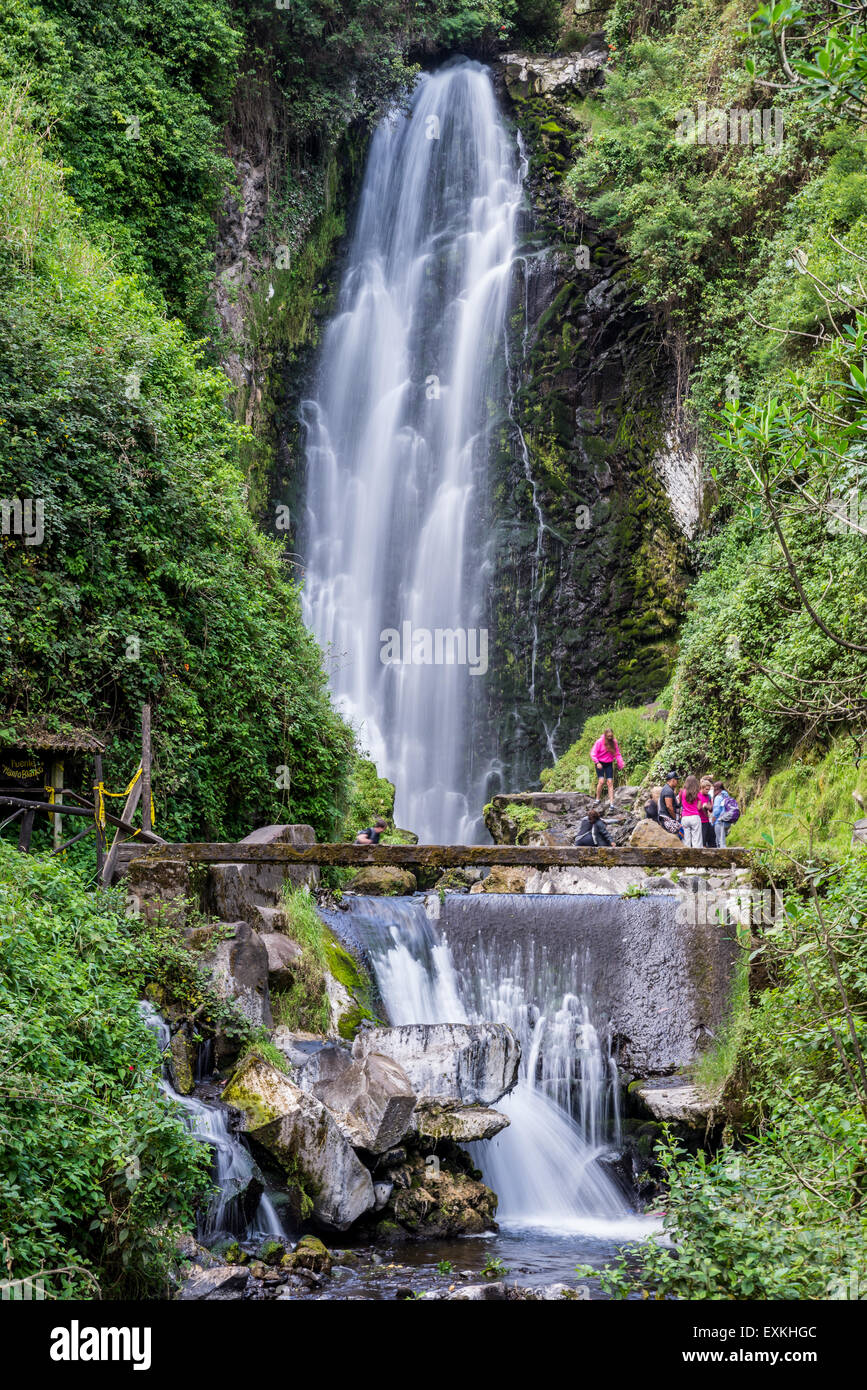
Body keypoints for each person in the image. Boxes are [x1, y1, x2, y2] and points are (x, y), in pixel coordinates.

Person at [590, 728, 625, 810]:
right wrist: (597, 762)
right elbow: (593, 753)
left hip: (609, 763)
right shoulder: (599, 742)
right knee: (601, 781)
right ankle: (597, 799)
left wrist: (621, 764)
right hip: (600, 763)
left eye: (611, 736)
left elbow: (617, 754)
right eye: (608, 736)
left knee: (610, 782)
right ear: (605, 736)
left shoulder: (614, 742)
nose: (610, 738)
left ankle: (612, 803)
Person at [680, 775, 705, 849]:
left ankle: (686, 858)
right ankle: (697, 858)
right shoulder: (697, 793)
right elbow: (699, 807)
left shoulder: (682, 792)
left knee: (686, 841)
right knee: (697, 840)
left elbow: (681, 804)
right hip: (695, 817)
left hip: (685, 817)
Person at [711, 781, 739, 846]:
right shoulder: (726, 796)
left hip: (720, 822)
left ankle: (722, 856)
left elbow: (716, 811)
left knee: (720, 842)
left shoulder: (718, 797)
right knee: (721, 840)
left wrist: (713, 819)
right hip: (728, 821)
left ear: (716, 789)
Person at [657, 772, 682, 837]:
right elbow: (669, 806)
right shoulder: (668, 791)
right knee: (673, 836)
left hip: (665, 817)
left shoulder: (667, 789)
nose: (677, 782)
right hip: (667, 818)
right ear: (672, 780)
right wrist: (675, 818)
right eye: (677, 780)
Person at [699, 776, 715, 848]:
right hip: (699, 819)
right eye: (706, 789)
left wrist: (708, 807)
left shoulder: (708, 796)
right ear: (702, 788)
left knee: (707, 837)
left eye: (708, 789)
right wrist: (702, 806)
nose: (707, 791)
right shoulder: (698, 795)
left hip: (706, 820)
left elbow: (711, 809)